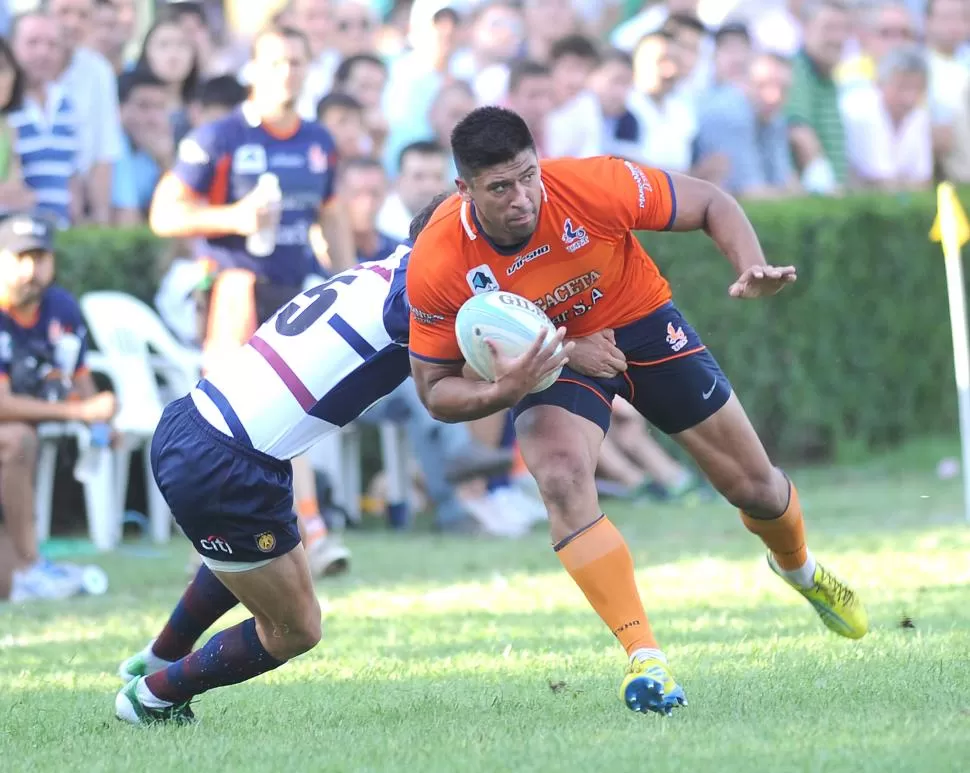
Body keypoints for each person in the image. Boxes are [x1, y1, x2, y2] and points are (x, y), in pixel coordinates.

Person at [404, 106, 868, 716]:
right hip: (545, 360)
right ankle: (645, 658)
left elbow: (710, 203)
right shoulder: (438, 260)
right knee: (563, 476)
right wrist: (511, 384)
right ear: (465, 190)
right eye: (500, 187)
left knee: (754, 487)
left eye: (528, 176)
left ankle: (800, 570)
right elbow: (435, 390)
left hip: (640, 325)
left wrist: (748, 262)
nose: (522, 198)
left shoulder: (593, 185)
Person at [114, 194, 617, 723]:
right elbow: (456, 386)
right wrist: (555, 358)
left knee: (264, 563)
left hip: (196, 422)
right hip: (226, 459)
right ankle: (152, 696)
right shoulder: (416, 293)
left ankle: (161, 654)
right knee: (296, 629)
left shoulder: (383, 270)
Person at [149, 22, 356, 578]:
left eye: (295, 61)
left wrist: (349, 276)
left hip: (296, 299)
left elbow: (332, 212)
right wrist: (233, 218)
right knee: (228, 422)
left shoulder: (317, 141)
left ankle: (308, 528)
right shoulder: (218, 138)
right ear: (254, 71)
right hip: (233, 290)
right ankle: (213, 542)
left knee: (299, 415)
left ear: (308, 69)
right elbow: (164, 213)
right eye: (275, 62)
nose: (286, 72)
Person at [0, 213, 116, 602]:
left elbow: (79, 376)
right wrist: (79, 413)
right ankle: (30, 565)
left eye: (40, 257)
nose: (31, 270)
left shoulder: (61, 307)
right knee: (16, 439)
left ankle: (28, 569)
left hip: (32, 426)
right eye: (20, 258)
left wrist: (100, 411)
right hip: (13, 430)